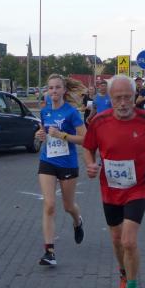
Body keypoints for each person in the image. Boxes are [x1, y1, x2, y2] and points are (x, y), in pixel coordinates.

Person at [83, 75, 145, 288]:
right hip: (110, 189)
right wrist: (90, 164)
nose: (123, 103)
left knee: (129, 241)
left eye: (127, 97)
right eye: (117, 98)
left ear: (135, 96)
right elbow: (88, 147)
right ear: (110, 98)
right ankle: (123, 274)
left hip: (138, 187)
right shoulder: (99, 122)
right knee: (116, 238)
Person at [34, 73, 87, 266]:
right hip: (47, 160)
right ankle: (49, 251)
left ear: (64, 90)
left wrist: (63, 135)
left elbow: (85, 138)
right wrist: (40, 134)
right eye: (51, 88)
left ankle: (77, 221)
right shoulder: (45, 111)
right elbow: (43, 132)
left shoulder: (71, 113)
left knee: (68, 206)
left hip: (68, 163)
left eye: (57, 87)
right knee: (49, 204)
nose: (54, 91)